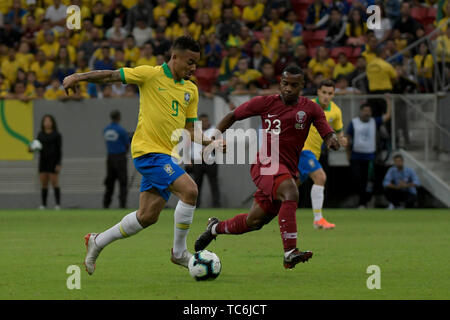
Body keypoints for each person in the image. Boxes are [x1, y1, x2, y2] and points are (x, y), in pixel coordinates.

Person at [63, 36, 223, 275]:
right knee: (190, 191)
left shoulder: (191, 89)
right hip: (148, 153)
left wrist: (209, 141)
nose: (193, 68)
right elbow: (111, 76)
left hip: (166, 157)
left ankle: (97, 241)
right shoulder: (150, 75)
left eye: (196, 63)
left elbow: (189, 129)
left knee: (147, 216)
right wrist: (78, 77)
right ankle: (179, 253)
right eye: (190, 62)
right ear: (175, 57)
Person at [194, 65, 340, 269]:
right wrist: (213, 138)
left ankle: (214, 228)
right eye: (285, 83)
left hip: (287, 169)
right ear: (280, 83)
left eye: (294, 85)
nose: (288, 88)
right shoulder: (266, 102)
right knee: (291, 191)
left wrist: (332, 139)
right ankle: (290, 251)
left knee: (254, 222)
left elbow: (327, 131)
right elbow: (233, 115)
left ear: (302, 86)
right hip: (265, 164)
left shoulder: (310, 109)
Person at [298, 80, 347, 229]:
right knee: (320, 177)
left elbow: (339, 132)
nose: (326, 96)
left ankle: (267, 206)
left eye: (330, 93)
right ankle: (318, 219)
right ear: (318, 92)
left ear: (333, 94)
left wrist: (342, 139)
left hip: (315, 152)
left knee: (292, 185)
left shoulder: (336, 111)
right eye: (324, 92)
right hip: (302, 150)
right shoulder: (307, 105)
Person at [345, 98, 391, 208]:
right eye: (365, 111)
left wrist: (389, 102)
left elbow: (387, 116)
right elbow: (347, 137)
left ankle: (364, 202)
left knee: (368, 180)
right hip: (356, 155)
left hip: (370, 156)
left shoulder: (374, 122)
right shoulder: (354, 122)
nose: (367, 113)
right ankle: (360, 200)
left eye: (369, 111)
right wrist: (347, 153)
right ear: (361, 111)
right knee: (357, 179)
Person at [187, 114, 221, 208]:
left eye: (206, 121)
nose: (204, 123)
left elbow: (218, 144)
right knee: (196, 185)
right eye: (202, 122)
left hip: (210, 160)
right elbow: (189, 145)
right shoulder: (195, 131)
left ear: (208, 121)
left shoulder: (215, 130)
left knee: (213, 184)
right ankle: (195, 205)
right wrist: (188, 159)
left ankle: (216, 205)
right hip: (197, 161)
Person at [32, 115, 62, 210]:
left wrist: (58, 163)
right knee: (44, 183)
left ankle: (57, 204)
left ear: (52, 123)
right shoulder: (40, 134)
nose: (47, 123)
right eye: (45, 121)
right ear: (43, 123)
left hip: (53, 161)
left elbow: (59, 150)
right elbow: (37, 148)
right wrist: (31, 149)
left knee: (54, 183)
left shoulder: (57, 135)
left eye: (49, 121)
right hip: (43, 161)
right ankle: (43, 205)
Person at [103, 110, 130, 209]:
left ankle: (106, 203)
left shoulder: (106, 130)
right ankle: (122, 204)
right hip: (120, 157)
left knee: (110, 181)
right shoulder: (121, 130)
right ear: (119, 117)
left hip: (110, 158)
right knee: (123, 181)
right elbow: (127, 144)